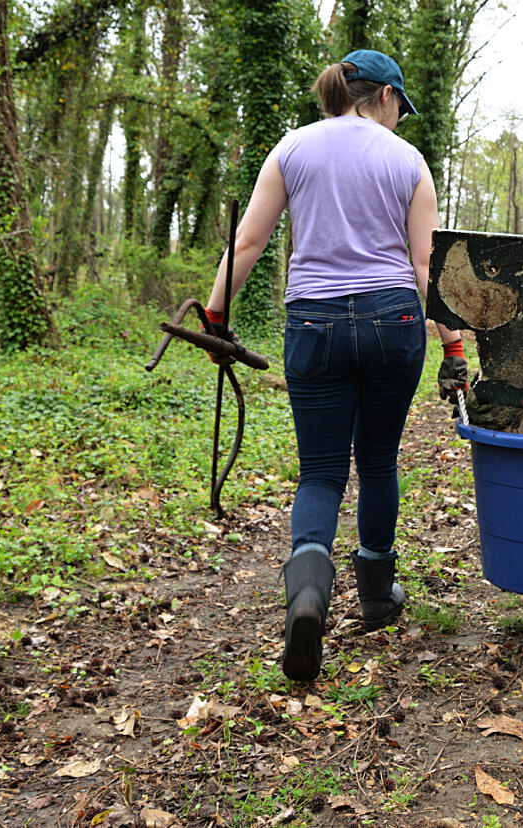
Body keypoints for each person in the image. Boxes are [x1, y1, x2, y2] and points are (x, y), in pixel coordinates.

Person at [200, 49, 469, 683]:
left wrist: (215, 316)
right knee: (377, 459)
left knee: (320, 472)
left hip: (314, 322)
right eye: (400, 105)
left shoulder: (291, 149)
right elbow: (426, 267)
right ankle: (376, 594)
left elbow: (249, 241)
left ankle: (308, 599)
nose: (401, 118)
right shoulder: (407, 162)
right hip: (392, 322)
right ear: (383, 98)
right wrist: (452, 345)